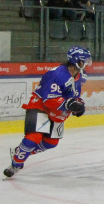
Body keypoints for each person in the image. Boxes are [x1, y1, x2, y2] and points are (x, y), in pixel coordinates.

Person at [4, 47, 90, 178]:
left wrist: (78, 105)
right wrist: (69, 104)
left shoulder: (80, 77)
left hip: (57, 112)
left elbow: (74, 95)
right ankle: (15, 165)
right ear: (75, 61)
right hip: (40, 106)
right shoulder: (56, 74)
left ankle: (20, 151)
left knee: (51, 143)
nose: (86, 64)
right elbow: (49, 100)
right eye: (84, 61)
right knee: (33, 138)